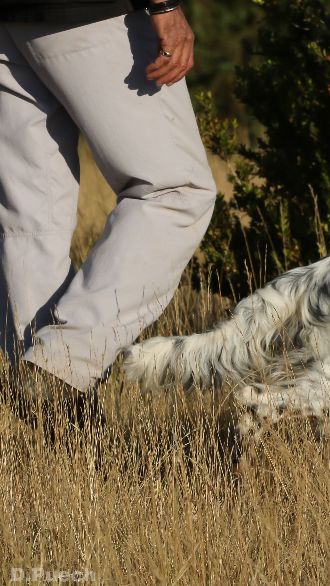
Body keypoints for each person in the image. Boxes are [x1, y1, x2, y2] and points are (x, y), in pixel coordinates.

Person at [0, 0, 216, 430]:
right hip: (89, 11)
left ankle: (59, 424)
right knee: (176, 191)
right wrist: (164, 5)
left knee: (30, 214)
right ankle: (59, 366)